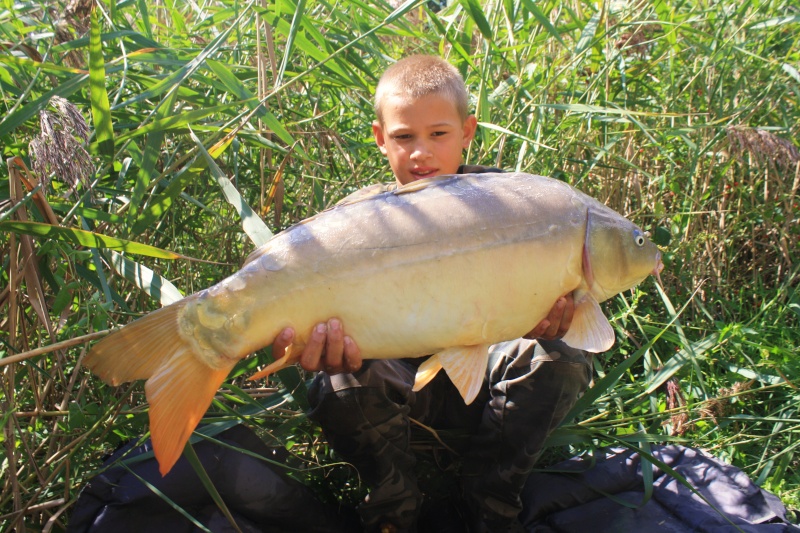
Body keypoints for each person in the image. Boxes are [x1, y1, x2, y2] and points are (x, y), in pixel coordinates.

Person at [269, 55, 593, 533]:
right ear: (381, 139)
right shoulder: (357, 221)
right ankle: (394, 506)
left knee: (562, 353)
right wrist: (313, 347)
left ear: (468, 131)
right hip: (399, 391)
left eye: (438, 134)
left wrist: (555, 318)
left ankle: (489, 502)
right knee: (341, 377)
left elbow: (578, 309)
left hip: (488, 387)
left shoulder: (515, 204)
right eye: (404, 137)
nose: (421, 152)